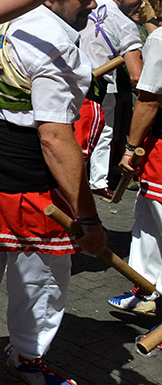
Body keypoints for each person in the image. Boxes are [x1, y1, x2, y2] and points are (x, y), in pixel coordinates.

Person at [0, 0, 107, 385]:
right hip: (34, 188)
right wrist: (88, 216)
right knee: (42, 281)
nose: (92, 4)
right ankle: (26, 359)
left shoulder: (3, 17)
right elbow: (53, 135)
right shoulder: (56, 41)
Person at [109, 23, 162, 315]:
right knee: (149, 218)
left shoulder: (160, 39)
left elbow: (149, 99)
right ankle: (147, 290)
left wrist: (131, 147)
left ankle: (150, 291)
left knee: (154, 219)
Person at [80, 0, 145, 200]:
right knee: (101, 131)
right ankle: (94, 180)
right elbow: (137, 73)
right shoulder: (123, 22)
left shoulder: (84, 5)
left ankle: (85, 180)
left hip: (72, 79)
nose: (140, 2)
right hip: (98, 84)